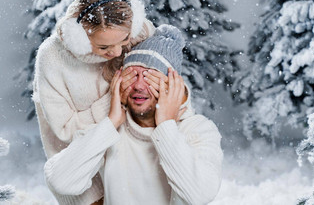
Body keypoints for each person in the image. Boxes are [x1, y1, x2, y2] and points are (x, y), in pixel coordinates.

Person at [44, 24, 224, 205]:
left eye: (149, 76)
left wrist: (166, 125)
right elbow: (61, 181)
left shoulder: (198, 129)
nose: (139, 85)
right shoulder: (110, 131)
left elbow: (201, 194)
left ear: (172, 86)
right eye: (132, 75)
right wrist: (111, 122)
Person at [32, 0, 156, 204]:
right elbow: (64, 129)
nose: (117, 52)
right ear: (77, 37)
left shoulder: (140, 33)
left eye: (123, 41)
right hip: (84, 172)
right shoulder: (52, 58)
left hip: (136, 163)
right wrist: (114, 100)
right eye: (103, 48)